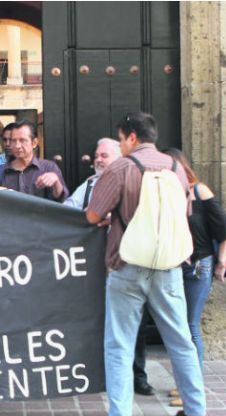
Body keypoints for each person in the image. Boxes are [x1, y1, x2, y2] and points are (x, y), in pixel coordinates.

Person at [86, 112, 207, 416]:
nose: (122, 144)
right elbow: (186, 212)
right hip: (167, 265)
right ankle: (195, 409)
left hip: (127, 266)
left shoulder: (122, 168)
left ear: (131, 138)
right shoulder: (176, 169)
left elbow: (92, 214)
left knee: (119, 342)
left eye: (122, 138)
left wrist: (110, 216)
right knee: (180, 338)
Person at [65, 138, 157, 397]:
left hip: (129, 264)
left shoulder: (136, 184)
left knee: (134, 323)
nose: (98, 160)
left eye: (104, 155)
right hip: (94, 269)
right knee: (100, 321)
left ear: (118, 159)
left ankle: (137, 376)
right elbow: (67, 212)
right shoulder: (89, 185)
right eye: (97, 155)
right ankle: (100, 374)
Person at [162, 147, 226, 407]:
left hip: (199, 266)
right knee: (180, 326)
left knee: (190, 325)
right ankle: (184, 384)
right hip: (176, 264)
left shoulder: (200, 191)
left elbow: (224, 230)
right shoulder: (170, 194)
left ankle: (193, 389)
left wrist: (221, 263)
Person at [0, 120, 69, 201]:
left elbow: (61, 199)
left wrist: (56, 182)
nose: (17, 146)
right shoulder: (0, 170)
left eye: (22, 140)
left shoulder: (48, 167)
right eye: (13, 140)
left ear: (34, 143)